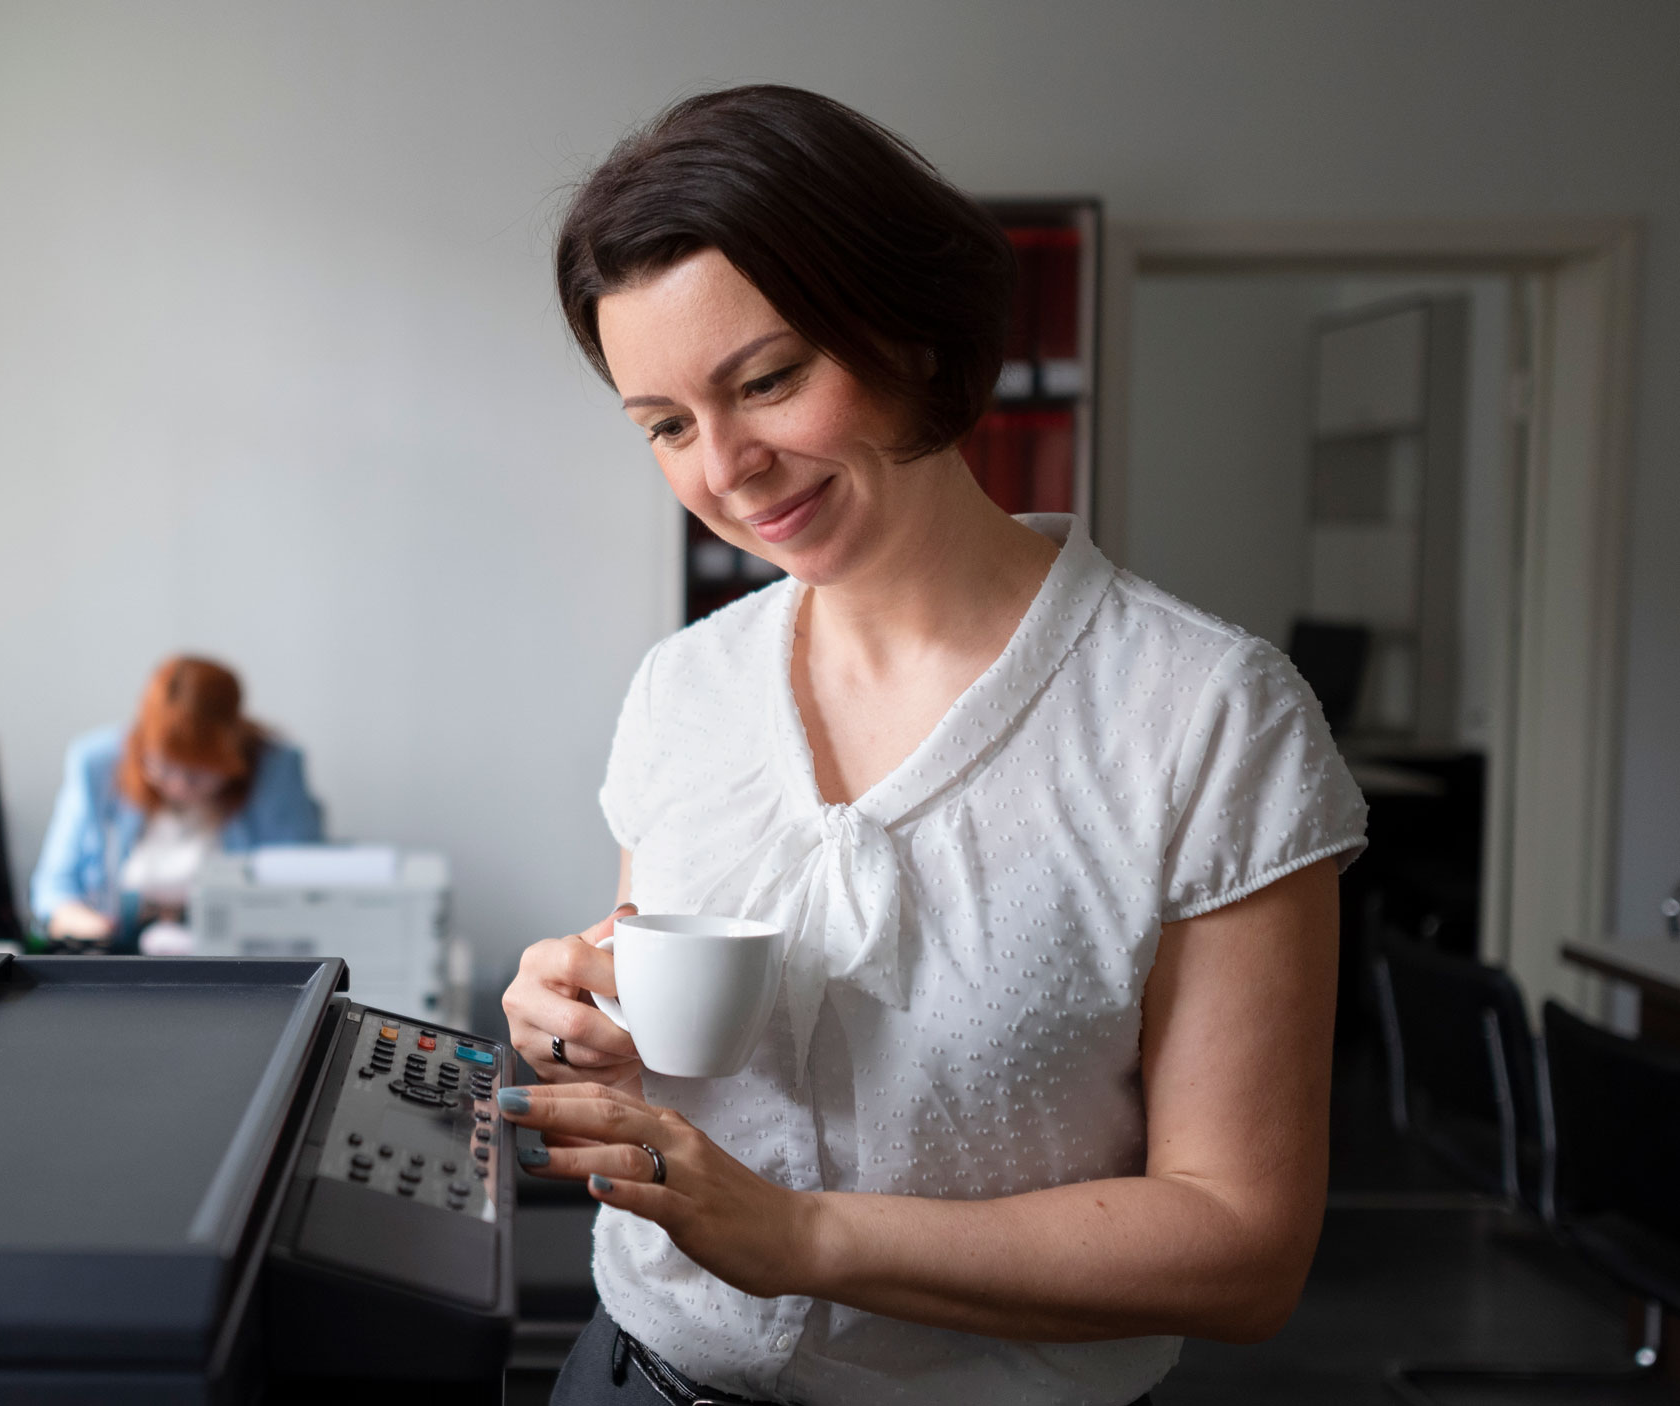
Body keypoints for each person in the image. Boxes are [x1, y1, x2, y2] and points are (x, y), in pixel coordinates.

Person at [499, 86, 1367, 1406]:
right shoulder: (685, 687)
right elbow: (655, 982)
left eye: (769, 379)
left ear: (906, 329)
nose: (725, 466)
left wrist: (805, 1238)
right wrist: (580, 1019)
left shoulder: (1207, 717)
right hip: (634, 1378)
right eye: (668, 424)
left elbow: (1243, 1248)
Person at [30, 655, 323, 950]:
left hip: (234, 957)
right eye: (164, 767)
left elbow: (301, 887)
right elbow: (54, 886)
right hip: (119, 953)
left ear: (233, 750)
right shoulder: (97, 764)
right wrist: (83, 923)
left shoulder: (275, 769)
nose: (179, 785)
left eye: (199, 773)